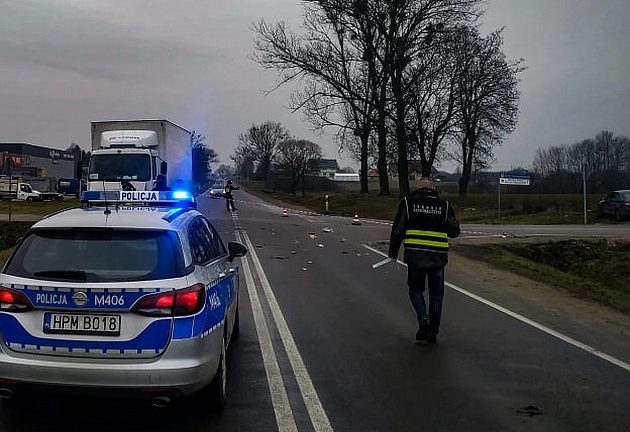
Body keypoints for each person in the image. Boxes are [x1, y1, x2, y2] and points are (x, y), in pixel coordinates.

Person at [388, 177, 460, 344]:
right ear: (433, 188)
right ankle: (433, 332)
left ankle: (423, 320)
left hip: (415, 256)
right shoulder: (445, 206)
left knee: (415, 290)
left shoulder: (407, 204)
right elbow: (455, 231)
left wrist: (393, 252)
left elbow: (398, 230)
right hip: (438, 258)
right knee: (436, 295)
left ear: (417, 187)